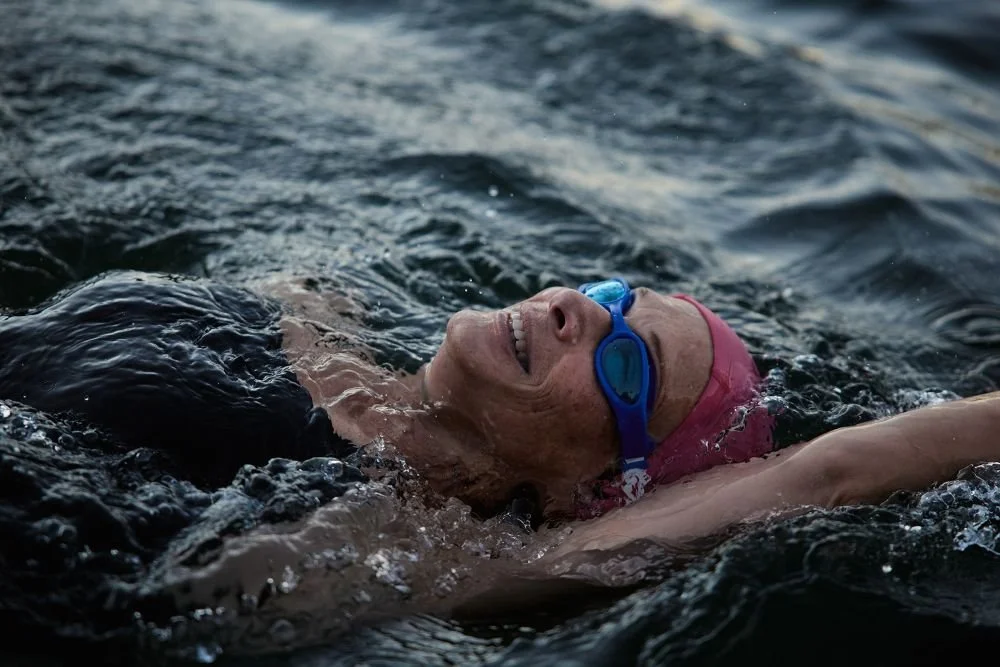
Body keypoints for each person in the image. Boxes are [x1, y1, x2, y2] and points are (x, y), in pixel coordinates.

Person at [0, 270, 997, 554]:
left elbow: (829, 472)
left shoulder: (409, 548)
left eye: (624, 358)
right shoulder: (314, 318)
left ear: (593, 488)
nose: (575, 308)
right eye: (610, 293)